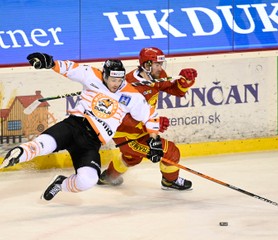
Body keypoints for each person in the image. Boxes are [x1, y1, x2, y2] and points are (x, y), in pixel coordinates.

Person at [0, 52, 164, 201]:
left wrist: (154, 141)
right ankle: (20, 153)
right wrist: (50, 63)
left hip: (92, 143)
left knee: (88, 180)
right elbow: (70, 68)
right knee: (42, 145)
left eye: (120, 80)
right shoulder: (92, 75)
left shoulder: (132, 95)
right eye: (113, 80)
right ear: (104, 75)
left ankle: (61, 184)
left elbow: (151, 116)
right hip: (73, 126)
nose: (116, 84)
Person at [98, 47, 198, 190]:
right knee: (171, 151)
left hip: (144, 130)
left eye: (160, 64)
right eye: (157, 64)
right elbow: (120, 117)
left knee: (131, 159)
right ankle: (170, 182)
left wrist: (184, 83)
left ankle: (108, 177)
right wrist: (151, 124)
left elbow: (173, 90)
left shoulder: (156, 75)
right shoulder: (128, 86)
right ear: (146, 65)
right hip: (126, 135)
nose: (160, 68)